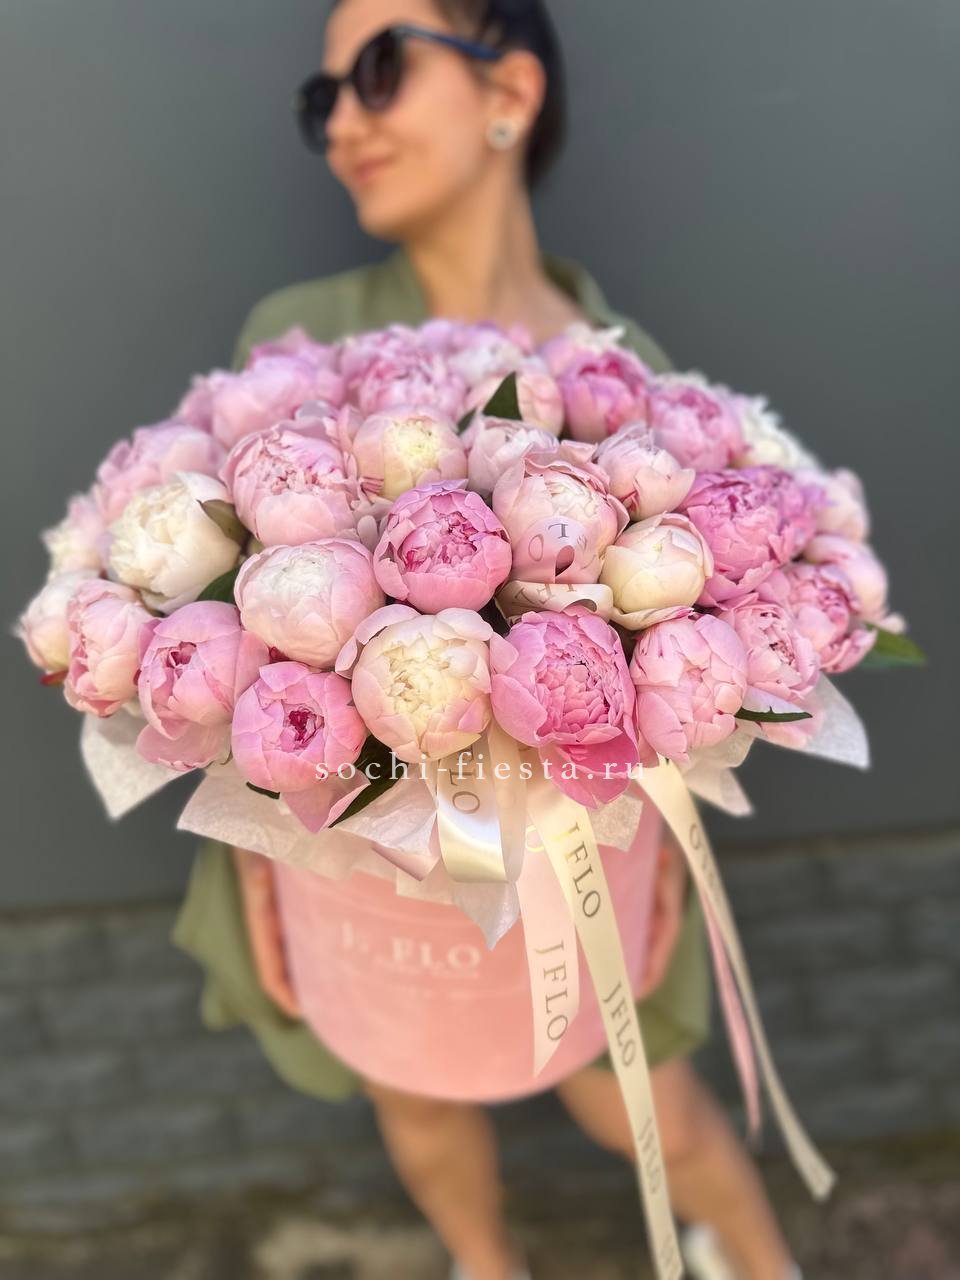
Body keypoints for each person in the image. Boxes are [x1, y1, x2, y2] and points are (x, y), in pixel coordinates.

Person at [173, 2, 803, 1277]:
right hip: (353, 854)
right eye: (322, 99)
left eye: (380, 72)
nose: (343, 122)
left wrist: (666, 873)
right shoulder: (297, 340)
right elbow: (231, 631)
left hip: (591, 853)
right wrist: (258, 874)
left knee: (654, 1107)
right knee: (412, 1090)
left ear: (508, 90)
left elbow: (690, 659)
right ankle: (485, 1263)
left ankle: (761, 1261)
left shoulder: (625, 370)